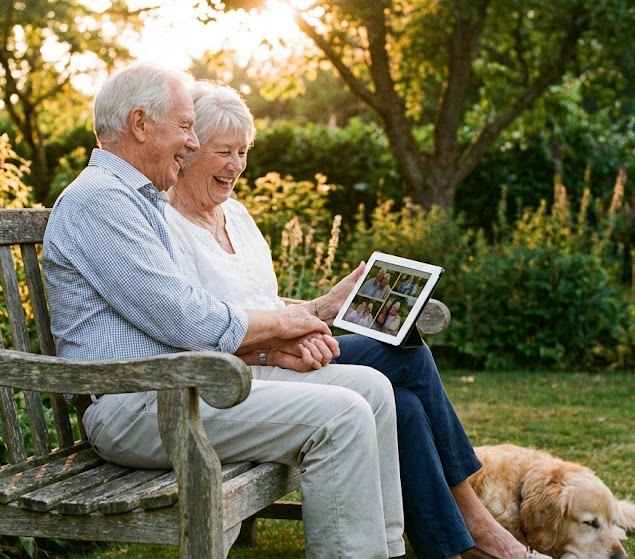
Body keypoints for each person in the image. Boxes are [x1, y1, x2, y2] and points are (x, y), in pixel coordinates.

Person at [165, 79, 550, 559]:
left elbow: (262, 301)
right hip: (242, 372)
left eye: (244, 151)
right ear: (191, 147)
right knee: (405, 354)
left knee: (404, 403)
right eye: (225, 151)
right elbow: (196, 326)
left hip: (284, 356)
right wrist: (287, 337)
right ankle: (478, 525)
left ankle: (453, 548)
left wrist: (323, 307)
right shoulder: (166, 226)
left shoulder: (236, 215)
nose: (237, 165)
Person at [42, 63, 405, 558]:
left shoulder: (135, 199)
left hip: (181, 389)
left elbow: (188, 317)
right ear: (141, 124)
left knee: (372, 388)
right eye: (186, 126)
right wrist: (292, 321)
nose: (192, 143)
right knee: (339, 417)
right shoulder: (100, 202)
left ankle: (381, 551)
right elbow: (187, 320)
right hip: (139, 407)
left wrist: (272, 350)